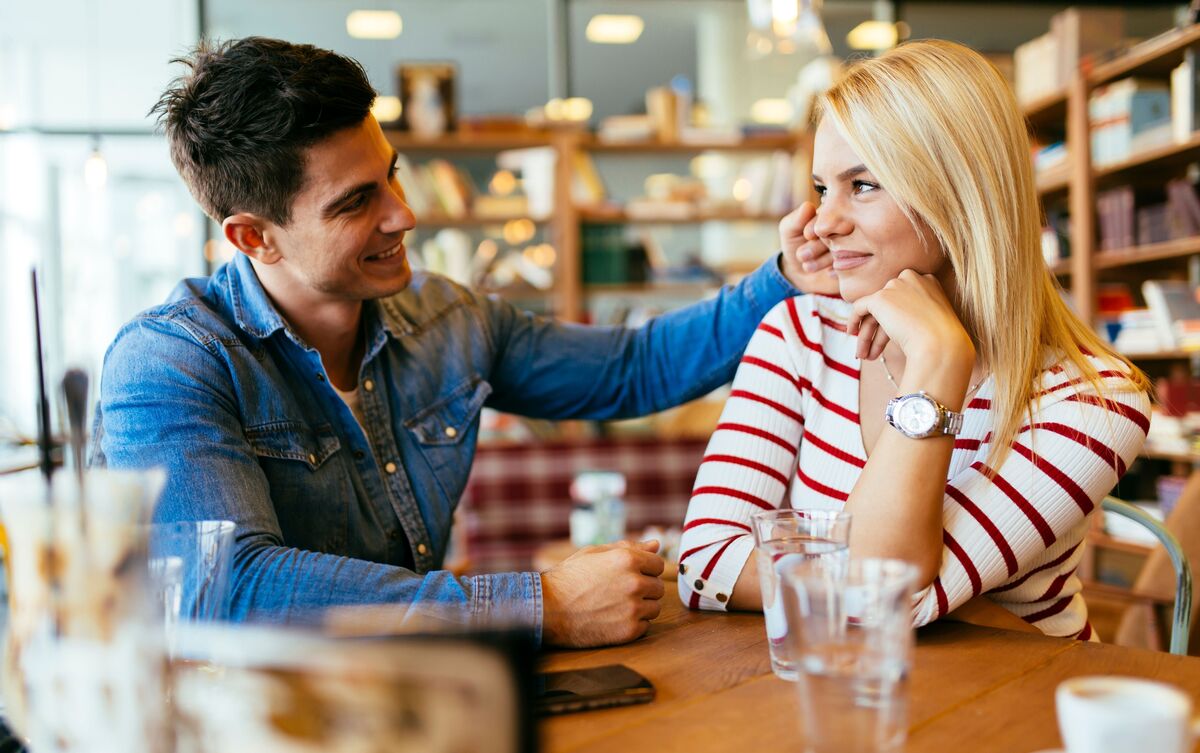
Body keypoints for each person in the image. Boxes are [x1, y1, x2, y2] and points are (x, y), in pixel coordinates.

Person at [91, 37, 836, 648]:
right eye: (357, 202)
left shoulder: (448, 320)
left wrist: (782, 276)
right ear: (254, 236)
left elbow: (632, 369)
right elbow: (227, 591)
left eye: (391, 177)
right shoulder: (168, 363)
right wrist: (537, 604)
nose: (404, 215)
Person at [678, 40, 1152, 640]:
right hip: (845, 700)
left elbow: (885, 598)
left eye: (864, 185)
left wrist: (937, 360)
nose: (823, 221)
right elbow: (704, 566)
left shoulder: (1095, 403)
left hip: (1016, 713)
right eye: (823, 188)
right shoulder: (800, 335)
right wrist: (854, 585)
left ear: (959, 195)